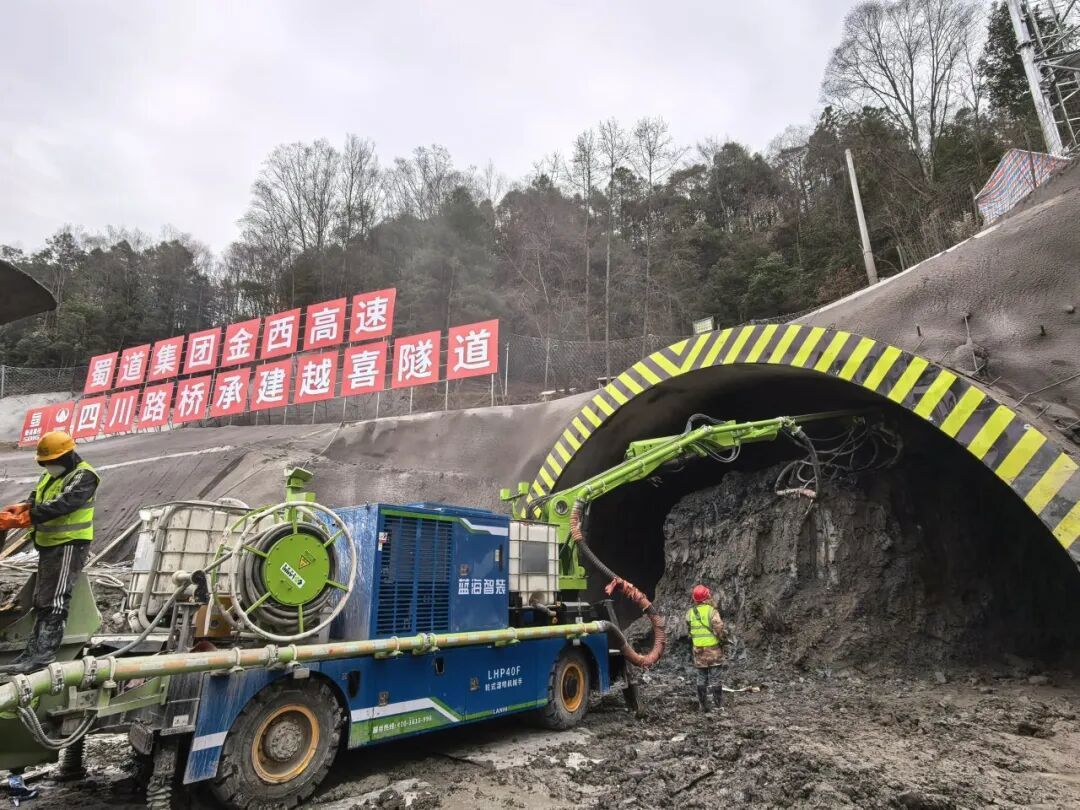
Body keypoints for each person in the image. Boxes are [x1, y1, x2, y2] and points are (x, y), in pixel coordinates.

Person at [0, 430, 99, 675]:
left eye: (50, 461)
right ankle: (30, 654)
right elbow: (38, 498)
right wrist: (24, 506)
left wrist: (24, 519)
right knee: (42, 600)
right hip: (49, 546)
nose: (47, 466)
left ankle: (42, 657)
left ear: (66, 455)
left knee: (54, 601)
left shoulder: (84, 476)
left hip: (69, 545)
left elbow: (63, 505)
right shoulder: (50, 475)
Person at [686, 584, 727, 713]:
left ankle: (703, 706)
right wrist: (724, 639)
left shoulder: (690, 613)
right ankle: (718, 706)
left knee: (701, 677)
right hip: (713, 650)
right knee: (715, 678)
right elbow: (719, 629)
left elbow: (690, 631)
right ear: (706, 596)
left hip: (698, 650)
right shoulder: (711, 611)